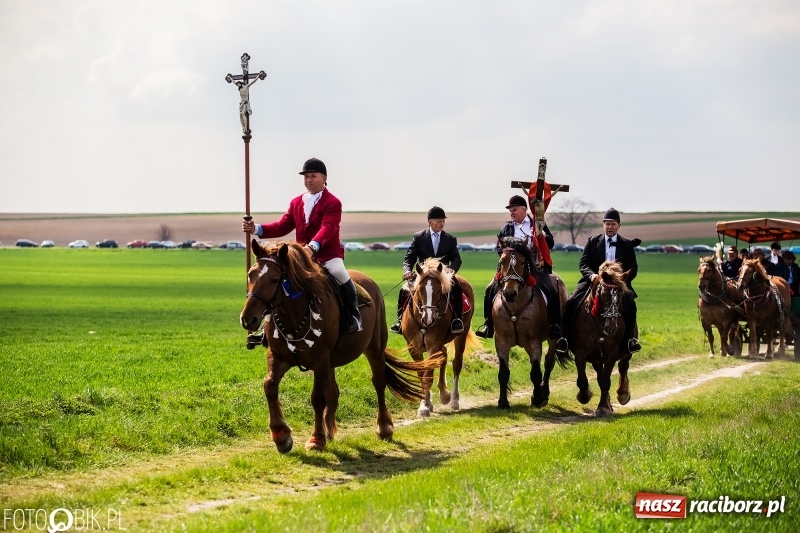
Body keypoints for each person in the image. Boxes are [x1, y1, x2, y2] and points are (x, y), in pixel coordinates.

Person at [242, 157, 362, 333]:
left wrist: (313, 247)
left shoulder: (333, 202)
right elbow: (283, 225)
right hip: (301, 257)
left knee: (339, 274)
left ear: (324, 178)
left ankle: (353, 316)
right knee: (278, 283)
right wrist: (256, 228)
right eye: (306, 177)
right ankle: (268, 328)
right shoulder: (296, 202)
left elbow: (328, 227)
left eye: (313, 176)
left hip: (327, 255)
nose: (308, 180)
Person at [474, 195, 566, 354]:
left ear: (524, 209)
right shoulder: (506, 228)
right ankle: (488, 325)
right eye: (510, 210)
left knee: (551, 290)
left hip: (536, 268)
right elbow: (499, 249)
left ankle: (554, 326)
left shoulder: (537, 223)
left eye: (514, 209)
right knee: (489, 289)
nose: (512, 212)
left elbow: (550, 243)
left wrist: (542, 234)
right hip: (511, 270)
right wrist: (509, 257)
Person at [561, 207, 642, 354]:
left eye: (613, 224)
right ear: (603, 225)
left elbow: (633, 268)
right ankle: (565, 338)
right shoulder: (593, 241)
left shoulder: (626, 244)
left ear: (619, 225)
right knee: (572, 302)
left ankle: (630, 339)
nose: (610, 227)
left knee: (631, 305)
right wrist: (592, 276)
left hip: (618, 286)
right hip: (593, 282)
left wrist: (620, 281)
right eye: (607, 224)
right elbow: (583, 264)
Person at [389, 207, 464, 334]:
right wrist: (407, 270)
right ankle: (399, 320)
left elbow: (457, 259)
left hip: (442, 274)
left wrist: (451, 270)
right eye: (439, 221)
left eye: (443, 221)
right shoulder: (419, 237)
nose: (442, 223)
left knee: (457, 288)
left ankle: (457, 319)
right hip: (423, 274)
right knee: (403, 290)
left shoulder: (450, 239)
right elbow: (410, 257)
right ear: (430, 222)